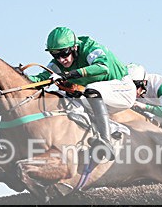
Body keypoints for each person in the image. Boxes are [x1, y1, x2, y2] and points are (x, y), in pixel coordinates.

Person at [29, 27, 136, 161]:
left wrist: (68, 74)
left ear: (74, 47)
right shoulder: (58, 63)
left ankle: (106, 141)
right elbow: (41, 78)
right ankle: (106, 129)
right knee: (63, 97)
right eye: (55, 55)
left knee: (91, 90)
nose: (61, 60)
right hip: (100, 96)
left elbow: (102, 67)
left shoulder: (89, 48)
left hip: (123, 89)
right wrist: (17, 75)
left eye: (64, 53)